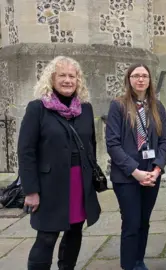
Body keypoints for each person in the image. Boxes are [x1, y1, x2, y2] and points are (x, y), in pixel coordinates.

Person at [18, 56, 101, 270]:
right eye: (61, 75)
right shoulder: (38, 108)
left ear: (78, 80)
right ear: (51, 79)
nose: (67, 80)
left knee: (74, 233)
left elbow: (90, 145)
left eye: (72, 76)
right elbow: (26, 152)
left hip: (79, 182)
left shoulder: (86, 109)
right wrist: (31, 191)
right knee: (46, 237)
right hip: (49, 186)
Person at [105, 63, 166, 270]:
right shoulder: (118, 106)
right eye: (135, 76)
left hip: (151, 173)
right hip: (127, 175)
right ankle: (128, 265)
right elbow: (113, 144)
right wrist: (136, 172)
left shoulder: (158, 107)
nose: (140, 79)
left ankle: (139, 261)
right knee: (131, 223)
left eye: (144, 76)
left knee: (144, 221)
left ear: (149, 80)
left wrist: (157, 169)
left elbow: (164, 141)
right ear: (129, 80)